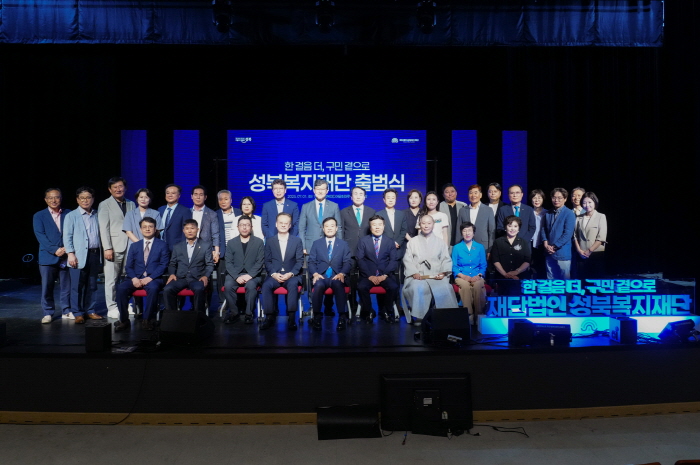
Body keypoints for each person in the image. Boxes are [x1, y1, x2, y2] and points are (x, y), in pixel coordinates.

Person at [114, 217, 170, 332]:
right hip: (135, 277)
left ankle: (148, 319)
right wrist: (134, 278)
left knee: (153, 288)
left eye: (150, 227)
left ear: (155, 229)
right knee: (121, 288)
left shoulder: (162, 245)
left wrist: (150, 278)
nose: (147, 229)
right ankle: (124, 320)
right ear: (140, 229)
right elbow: (128, 266)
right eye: (144, 227)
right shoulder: (134, 246)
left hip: (154, 278)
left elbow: (163, 265)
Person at [402, 215, 458, 325]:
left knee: (446, 287)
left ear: (433, 225)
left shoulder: (440, 242)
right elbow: (407, 259)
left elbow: (446, 259)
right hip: (418, 276)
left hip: (436, 275)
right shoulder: (412, 242)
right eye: (423, 223)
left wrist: (443, 272)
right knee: (418, 287)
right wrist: (414, 272)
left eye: (429, 223)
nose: (426, 226)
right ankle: (419, 316)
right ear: (419, 225)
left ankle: (443, 316)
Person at [63, 187, 104, 324]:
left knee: (92, 285)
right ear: (77, 200)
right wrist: (70, 254)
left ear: (93, 199)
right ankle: (77, 312)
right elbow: (67, 236)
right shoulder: (71, 216)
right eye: (82, 198)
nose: (85, 200)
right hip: (78, 255)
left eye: (88, 197)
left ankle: (90, 310)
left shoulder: (97, 214)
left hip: (94, 254)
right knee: (77, 286)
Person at [98, 177, 136, 319]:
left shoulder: (131, 203)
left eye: (120, 186)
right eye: (115, 187)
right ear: (110, 189)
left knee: (128, 277)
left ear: (125, 188)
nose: (118, 189)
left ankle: (127, 303)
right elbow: (103, 228)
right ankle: (112, 306)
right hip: (113, 247)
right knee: (111, 279)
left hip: (130, 246)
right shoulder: (105, 204)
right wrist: (107, 247)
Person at [260, 213, 304, 331]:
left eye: (286, 223)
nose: (283, 225)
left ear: (290, 225)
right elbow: (267, 261)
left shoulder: (297, 241)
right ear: (276, 224)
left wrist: (291, 274)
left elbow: (300, 261)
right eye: (281, 223)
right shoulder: (270, 241)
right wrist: (274, 274)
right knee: (266, 285)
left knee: (293, 284)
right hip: (275, 275)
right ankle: (269, 317)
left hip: (291, 275)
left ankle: (291, 318)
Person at [33, 188, 71, 323]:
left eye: (56, 197)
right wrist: (55, 250)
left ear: (61, 198)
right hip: (47, 256)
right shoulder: (39, 216)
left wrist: (67, 248)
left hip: (66, 255)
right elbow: (40, 236)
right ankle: (48, 312)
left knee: (67, 286)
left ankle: (67, 310)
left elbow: (74, 232)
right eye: (50, 198)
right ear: (45, 200)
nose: (53, 200)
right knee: (47, 287)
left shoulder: (69, 213)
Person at [308, 218, 352, 332]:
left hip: (336, 275)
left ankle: (342, 316)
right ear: (323, 229)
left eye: (332, 226)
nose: (329, 228)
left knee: (338, 284)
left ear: (336, 228)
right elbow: (311, 261)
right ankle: (317, 316)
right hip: (321, 275)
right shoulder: (317, 243)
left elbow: (348, 262)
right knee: (318, 286)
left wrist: (342, 273)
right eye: (327, 226)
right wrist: (315, 274)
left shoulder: (343, 244)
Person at [163, 219, 214, 313]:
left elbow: (209, 264)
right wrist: (172, 274)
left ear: (197, 230)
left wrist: (205, 276)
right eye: (187, 228)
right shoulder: (177, 246)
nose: (189, 231)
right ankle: (172, 316)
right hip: (181, 278)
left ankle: (199, 317)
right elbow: (172, 264)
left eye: (192, 228)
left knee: (199, 289)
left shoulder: (205, 245)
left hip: (197, 278)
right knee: (167, 289)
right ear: (183, 231)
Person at [339, 186, 376, 314]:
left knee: (365, 281)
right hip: (350, 251)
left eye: (361, 194)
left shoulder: (371, 211)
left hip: (367, 252)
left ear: (365, 197)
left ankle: (366, 307)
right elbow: (341, 231)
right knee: (351, 281)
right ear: (351, 197)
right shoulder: (344, 212)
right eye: (355, 194)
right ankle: (352, 306)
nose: (358, 196)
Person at [356, 215, 399, 324]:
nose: (377, 227)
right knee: (361, 287)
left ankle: (386, 311)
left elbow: (393, 260)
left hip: (385, 274)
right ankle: (369, 311)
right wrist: (370, 276)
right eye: (374, 225)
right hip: (368, 275)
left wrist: (384, 275)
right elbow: (360, 259)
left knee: (393, 287)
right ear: (370, 227)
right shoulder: (363, 241)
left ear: (383, 226)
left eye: (380, 224)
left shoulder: (390, 241)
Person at [223, 216, 265, 325]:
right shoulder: (231, 243)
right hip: (235, 274)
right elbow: (228, 263)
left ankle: (248, 314)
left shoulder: (259, 242)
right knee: (228, 286)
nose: (244, 227)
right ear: (238, 227)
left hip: (252, 275)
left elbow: (260, 262)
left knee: (251, 286)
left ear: (251, 227)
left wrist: (250, 275)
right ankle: (234, 313)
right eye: (242, 225)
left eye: (247, 225)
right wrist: (236, 276)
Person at [452, 221, 487, 325]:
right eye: (464, 231)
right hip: (461, 276)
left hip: (477, 275)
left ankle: (478, 314)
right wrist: (463, 276)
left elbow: (483, 265)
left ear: (473, 233)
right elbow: (454, 266)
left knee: (477, 286)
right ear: (461, 233)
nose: (467, 233)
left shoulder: (480, 247)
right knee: (465, 287)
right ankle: (469, 314)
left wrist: (479, 275)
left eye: (469, 230)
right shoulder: (457, 247)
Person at [298, 178, 343, 254]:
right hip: (310, 246)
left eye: (322, 189)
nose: (320, 191)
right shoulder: (306, 206)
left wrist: (339, 246)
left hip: (329, 246)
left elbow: (338, 227)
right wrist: (303, 246)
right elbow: (301, 228)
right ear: (314, 190)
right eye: (318, 189)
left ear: (327, 191)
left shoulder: (334, 206)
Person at [214, 189, 242, 310]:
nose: (223, 201)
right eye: (220, 199)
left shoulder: (239, 212)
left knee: (238, 278)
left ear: (231, 200)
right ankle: (223, 303)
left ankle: (239, 304)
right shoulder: (215, 214)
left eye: (226, 199)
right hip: (222, 252)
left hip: (238, 252)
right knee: (221, 279)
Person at [540, 188, 576, 279]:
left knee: (565, 280)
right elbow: (543, 229)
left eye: (559, 198)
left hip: (562, 252)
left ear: (565, 199)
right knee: (551, 278)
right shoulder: (548, 213)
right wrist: (545, 243)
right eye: (554, 197)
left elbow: (568, 234)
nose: (556, 200)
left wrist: (554, 247)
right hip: (549, 252)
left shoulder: (569, 213)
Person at [491, 216, 532, 294]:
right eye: (510, 226)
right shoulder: (498, 242)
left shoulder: (523, 242)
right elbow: (495, 260)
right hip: (502, 277)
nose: (512, 229)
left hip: (520, 277)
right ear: (505, 227)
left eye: (515, 226)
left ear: (519, 228)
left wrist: (516, 272)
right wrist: (505, 274)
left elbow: (527, 260)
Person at [573, 192, 607, 279]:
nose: (587, 205)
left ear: (595, 202)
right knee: (582, 279)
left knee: (595, 280)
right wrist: (579, 250)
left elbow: (601, 237)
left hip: (596, 253)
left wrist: (589, 251)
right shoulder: (579, 217)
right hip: (581, 253)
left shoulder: (601, 216)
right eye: (584, 203)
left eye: (589, 202)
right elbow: (575, 236)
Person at [457, 184, 495, 259]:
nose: (473, 195)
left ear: (480, 195)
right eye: (470, 193)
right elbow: (458, 231)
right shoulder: (462, 210)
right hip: (465, 245)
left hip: (483, 246)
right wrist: (458, 247)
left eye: (475, 192)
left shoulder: (488, 210)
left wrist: (490, 250)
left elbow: (491, 231)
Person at [158, 184, 192, 252]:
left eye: (173, 193)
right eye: (167, 193)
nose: (170, 195)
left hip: (176, 249)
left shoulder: (185, 211)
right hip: (160, 247)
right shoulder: (160, 209)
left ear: (179, 195)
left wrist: (182, 249)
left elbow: (186, 231)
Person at [190, 185, 220, 263]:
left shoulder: (212, 214)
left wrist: (216, 252)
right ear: (192, 196)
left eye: (201, 195)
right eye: (195, 194)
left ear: (205, 197)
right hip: (189, 248)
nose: (198, 197)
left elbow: (215, 234)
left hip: (206, 250)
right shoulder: (187, 212)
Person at [438, 183, 467, 250]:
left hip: (461, 242)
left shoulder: (463, 206)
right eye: (447, 192)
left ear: (456, 193)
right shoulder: (439, 207)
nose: (450, 194)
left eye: (452, 191)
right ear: (443, 195)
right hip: (445, 242)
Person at [529, 189, 547, 278]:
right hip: (530, 242)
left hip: (543, 243)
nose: (537, 200)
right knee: (530, 266)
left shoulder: (547, 213)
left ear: (543, 199)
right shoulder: (528, 212)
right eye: (534, 198)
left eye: (539, 198)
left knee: (542, 267)